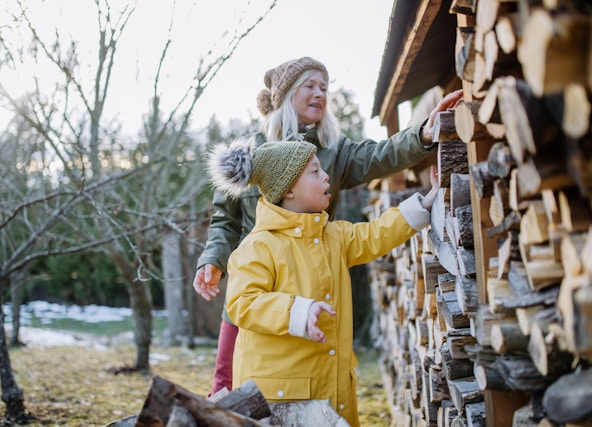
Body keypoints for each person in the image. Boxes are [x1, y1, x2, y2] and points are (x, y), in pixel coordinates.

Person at [193, 56, 462, 395]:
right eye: (309, 85)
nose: (320, 93)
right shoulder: (251, 152)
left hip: (313, 284)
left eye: (324, 87)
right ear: (286, 94)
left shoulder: (335, 151)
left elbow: (381, 155)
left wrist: (422, 134)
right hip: (259, 283)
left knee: (319, 380)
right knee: (228, 386)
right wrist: (212, 260)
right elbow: (224, 221)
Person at [206, 138, 439, 426]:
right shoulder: (258, 246)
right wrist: (297, 312)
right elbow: (243, 303)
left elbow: (375, 234)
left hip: (332, 391)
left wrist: (423, 205)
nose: (326, 175)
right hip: (280, 403)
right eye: (314, 172)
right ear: (288, 188)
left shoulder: (334, 237)